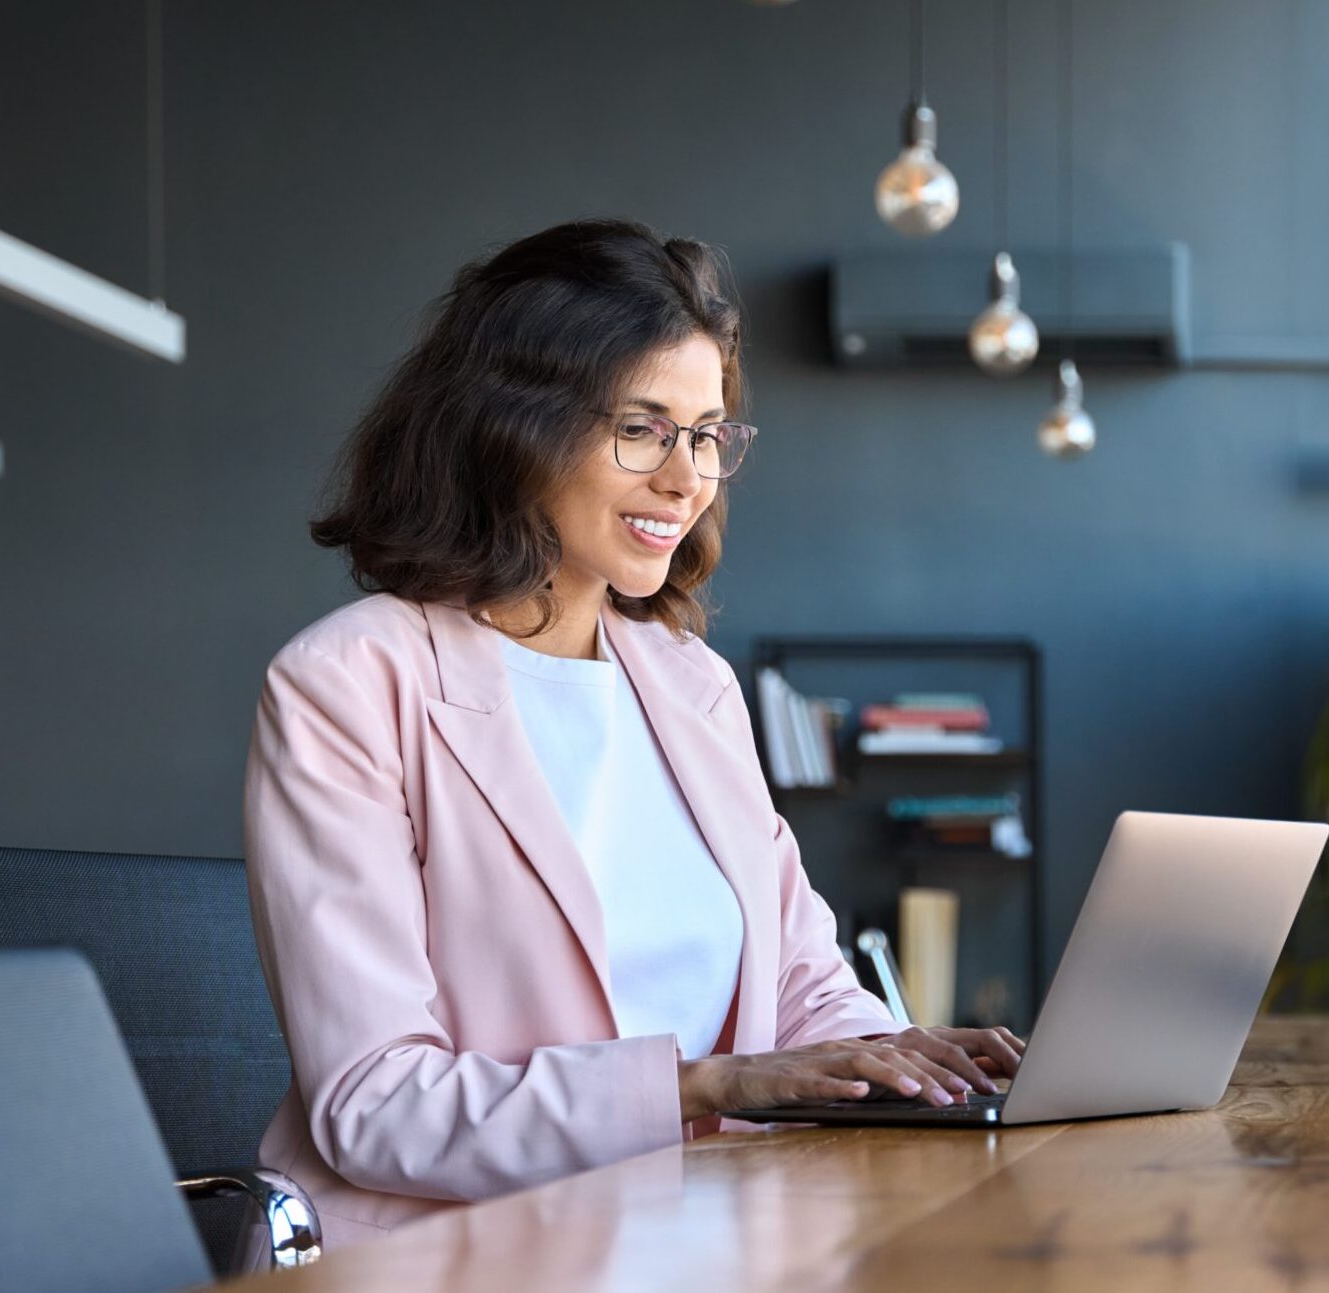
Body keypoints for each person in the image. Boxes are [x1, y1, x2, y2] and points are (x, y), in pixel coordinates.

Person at [243, 218, 1026, 1240]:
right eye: (643, 429)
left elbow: (803, 989)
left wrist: (907, 1065)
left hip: (719, 1237)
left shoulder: (691, 685)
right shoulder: (348, 684)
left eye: (706, 435)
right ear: (512, 427)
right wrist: (705, 1085)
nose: (687, 478)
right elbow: (377, 1107)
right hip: (471, 1253)